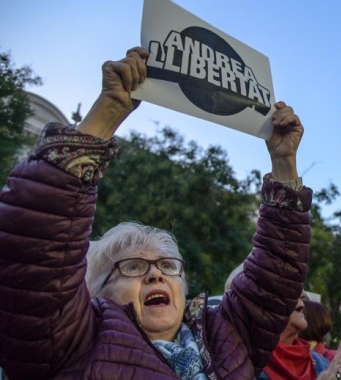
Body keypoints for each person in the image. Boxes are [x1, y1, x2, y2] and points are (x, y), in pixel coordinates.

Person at [0, 47, 311, 379]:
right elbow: (37, 246)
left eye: (167, 265)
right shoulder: (70, 341)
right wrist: (108, 111)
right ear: (94, 291)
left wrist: (283, 163)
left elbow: (276, 270)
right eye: (132, 267)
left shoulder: (228, 338)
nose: (155, 275)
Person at [258, 294, 341, 380]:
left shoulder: (320, 362)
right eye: (290, 285)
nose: (303, 293)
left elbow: (337, 377)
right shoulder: (244, 363)